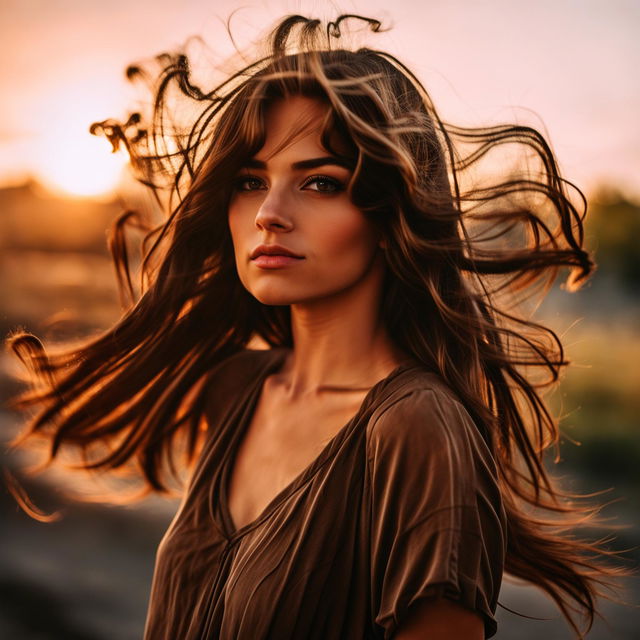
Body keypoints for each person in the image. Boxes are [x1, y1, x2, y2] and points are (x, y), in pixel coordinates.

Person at [8, 13, 622, 640]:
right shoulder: (236, 388)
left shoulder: (418, 429)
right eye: (250, 182)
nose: (270, 214)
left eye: (320, 183)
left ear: (393, 212)